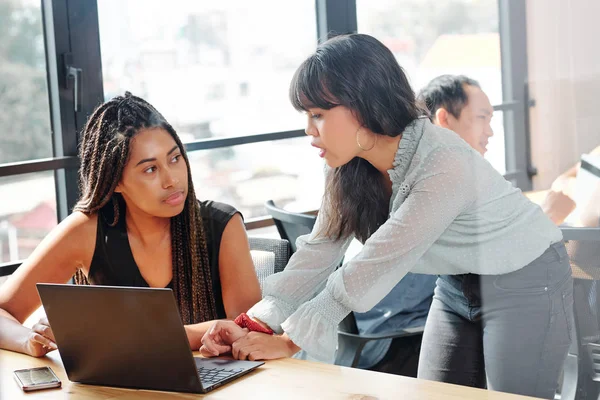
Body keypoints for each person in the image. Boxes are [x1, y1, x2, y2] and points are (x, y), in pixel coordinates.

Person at [200, 34, 573, 399]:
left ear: (362, 107)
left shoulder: (444, 161)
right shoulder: (347, 169)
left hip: (526, 280)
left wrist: (286, 341)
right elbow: (316, 256)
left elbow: (373, 265)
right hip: (457, 285)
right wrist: (251, 324)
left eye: (318, 114)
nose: (308, 130)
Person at [0, 92, 261, 357]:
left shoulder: (223, 225)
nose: (172, 180)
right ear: (116, 182)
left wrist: (98, 334)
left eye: (175, 158)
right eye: (150, 169)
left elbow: (249, 335)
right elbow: (3, 312)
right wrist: (30, 341)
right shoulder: (86, 232)